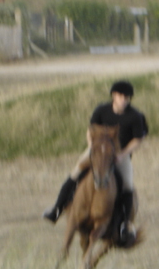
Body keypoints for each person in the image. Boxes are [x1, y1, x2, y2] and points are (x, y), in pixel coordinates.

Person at [43, 80, 148, 241]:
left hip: (120, 154)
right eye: (121, 96)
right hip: (97, 150)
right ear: (114, 96)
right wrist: (91, 146)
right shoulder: (101, 110)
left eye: (127, 97)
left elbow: (138, 139)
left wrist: (123, 153)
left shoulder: (135, 116)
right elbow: (90, 129)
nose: (124, 100)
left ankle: (124, 225)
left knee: (127, 184)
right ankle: (56, 209)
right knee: (75, 173)